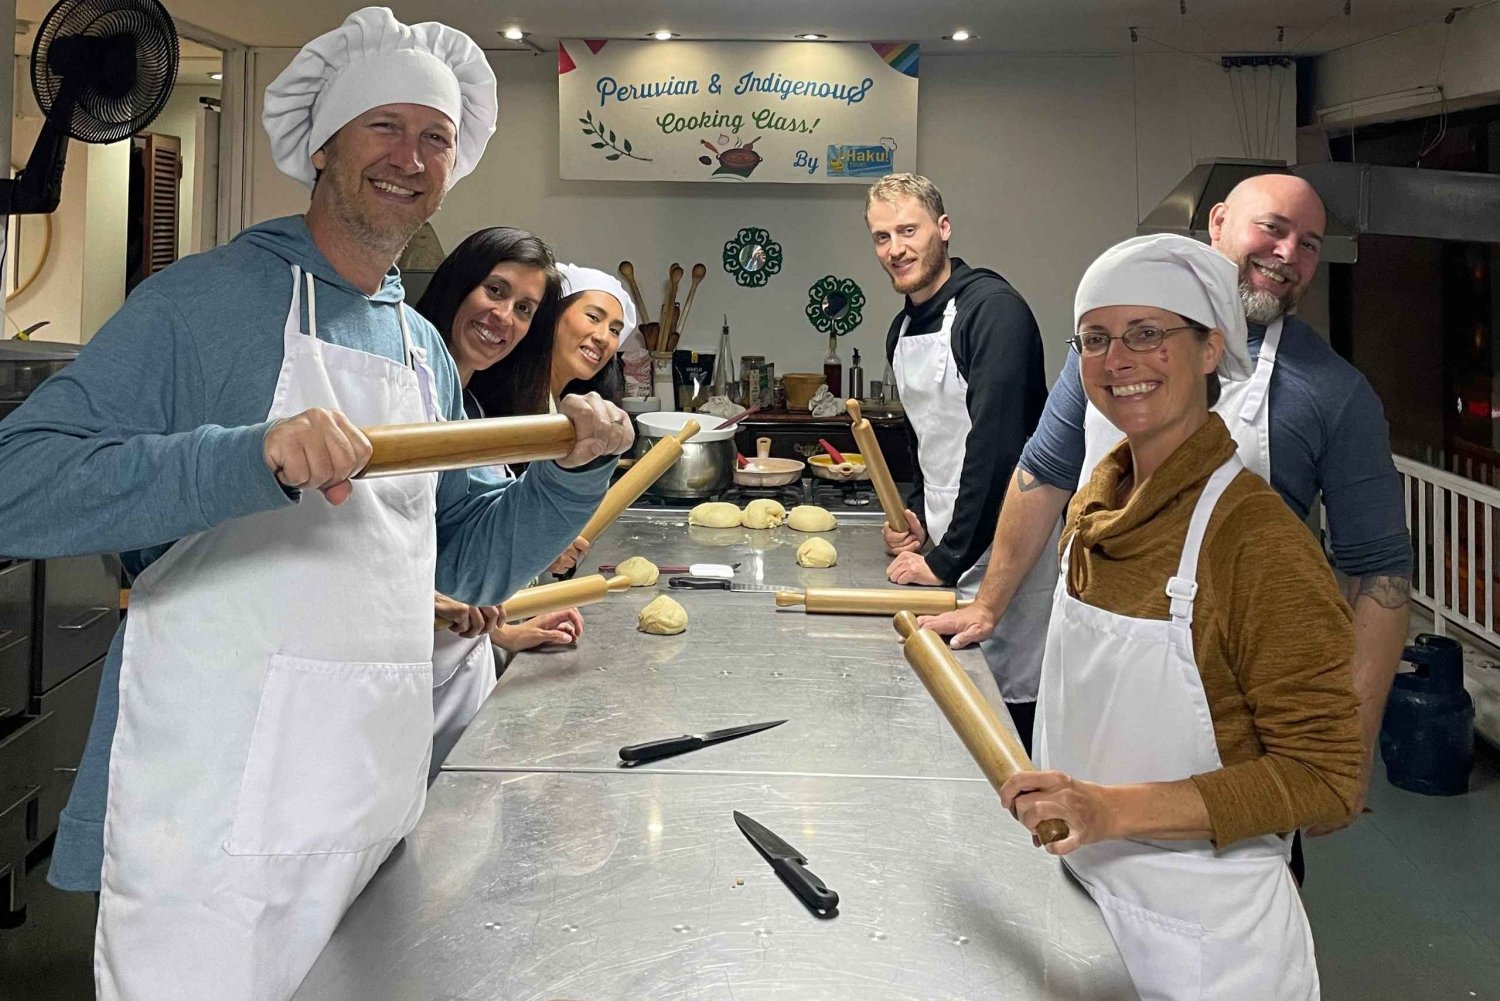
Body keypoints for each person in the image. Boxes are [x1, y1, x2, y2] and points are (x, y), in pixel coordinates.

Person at [0, 10, 633, 1000]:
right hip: (211, 820)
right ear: (325, 141)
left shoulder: (417, 345)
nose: (409, 157)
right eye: (383, 125)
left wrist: (570, 470)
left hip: (367, 798)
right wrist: (249, 455)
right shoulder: (200, 306)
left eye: (434, 137)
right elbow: (17, 484)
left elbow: (460, 562)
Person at [924, 174, 1411, 864]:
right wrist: (989, 603)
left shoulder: (1330, 401)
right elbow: (1043, 473)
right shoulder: (1102, 452)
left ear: (1209, 355)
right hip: (1088, 749)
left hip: (1219, 758)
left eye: (1307, 244)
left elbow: (1380, 574)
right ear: (1217, 224)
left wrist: (1349, 748)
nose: (1126, 364)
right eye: (1271, 228)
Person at [995, 234, 1362, 1000]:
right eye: (1096, 338)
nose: (1118, 359)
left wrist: (1109, 809)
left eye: (1148, 333)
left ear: (1208, 350)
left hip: (1211, 947)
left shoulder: (1257, 543)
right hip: (1084, 902)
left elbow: (1327, 781)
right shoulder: (1097, 505)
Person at [415, 243, 635, 773]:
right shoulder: (469, 407)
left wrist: (499, 617)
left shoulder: (467, 406)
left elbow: (468, 548)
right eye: (495, 291)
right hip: (403, 675)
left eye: (523, 309)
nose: (504, 317)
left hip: (454, 669)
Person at [864, 173, 1054, 750]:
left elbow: (1000, 452)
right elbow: (934, 442)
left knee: (1010, 718)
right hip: (950, 541)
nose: (895, 249)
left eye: (908, 230)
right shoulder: (900, 330)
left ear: (943, 230)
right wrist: (920, 514)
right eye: (880, 237)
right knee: (954, 727)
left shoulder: (993, 312)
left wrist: (945, 562)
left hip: (1009, 550)